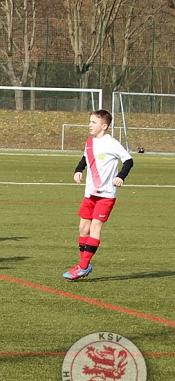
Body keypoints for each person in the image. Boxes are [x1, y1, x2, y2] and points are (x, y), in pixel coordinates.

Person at [63, 110, 133, 281]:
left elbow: (129, 160)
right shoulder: (89, 142)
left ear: (104, 126)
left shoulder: (112, 143)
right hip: (90, 194)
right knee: (83, 228)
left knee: (95, 228)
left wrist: (120, 176)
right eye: (90, 121)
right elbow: (85, 158)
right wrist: (79, 170)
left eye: (94, 122)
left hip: (106, 194)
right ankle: (84, 265)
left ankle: (83, 266)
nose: (90, 125)